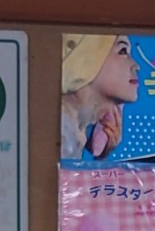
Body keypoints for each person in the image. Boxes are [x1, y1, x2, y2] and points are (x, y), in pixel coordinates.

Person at [60, 32, 139, 160]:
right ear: (86, 58)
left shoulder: (74, 133)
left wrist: (100, 159)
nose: (136, 66)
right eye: (123, 51)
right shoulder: (59, 130)